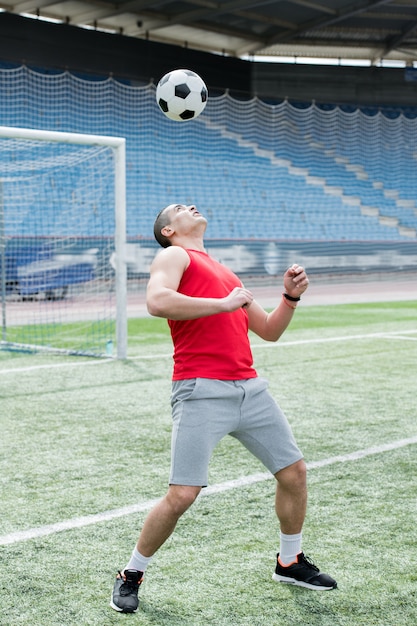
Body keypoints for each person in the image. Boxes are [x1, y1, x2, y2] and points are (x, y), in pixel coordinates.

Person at [110, 203, 337, 614]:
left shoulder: (225, 272)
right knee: (182, 494)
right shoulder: (174, 255)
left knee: (294, 472)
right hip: (200, 390)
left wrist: (290, 297)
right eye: (179, 209)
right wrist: (222, 302)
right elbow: (157, 301)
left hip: (250, 388)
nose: (190, 207)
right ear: (168, 231)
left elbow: (268, 330)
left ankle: (290, 562)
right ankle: (131, 573)